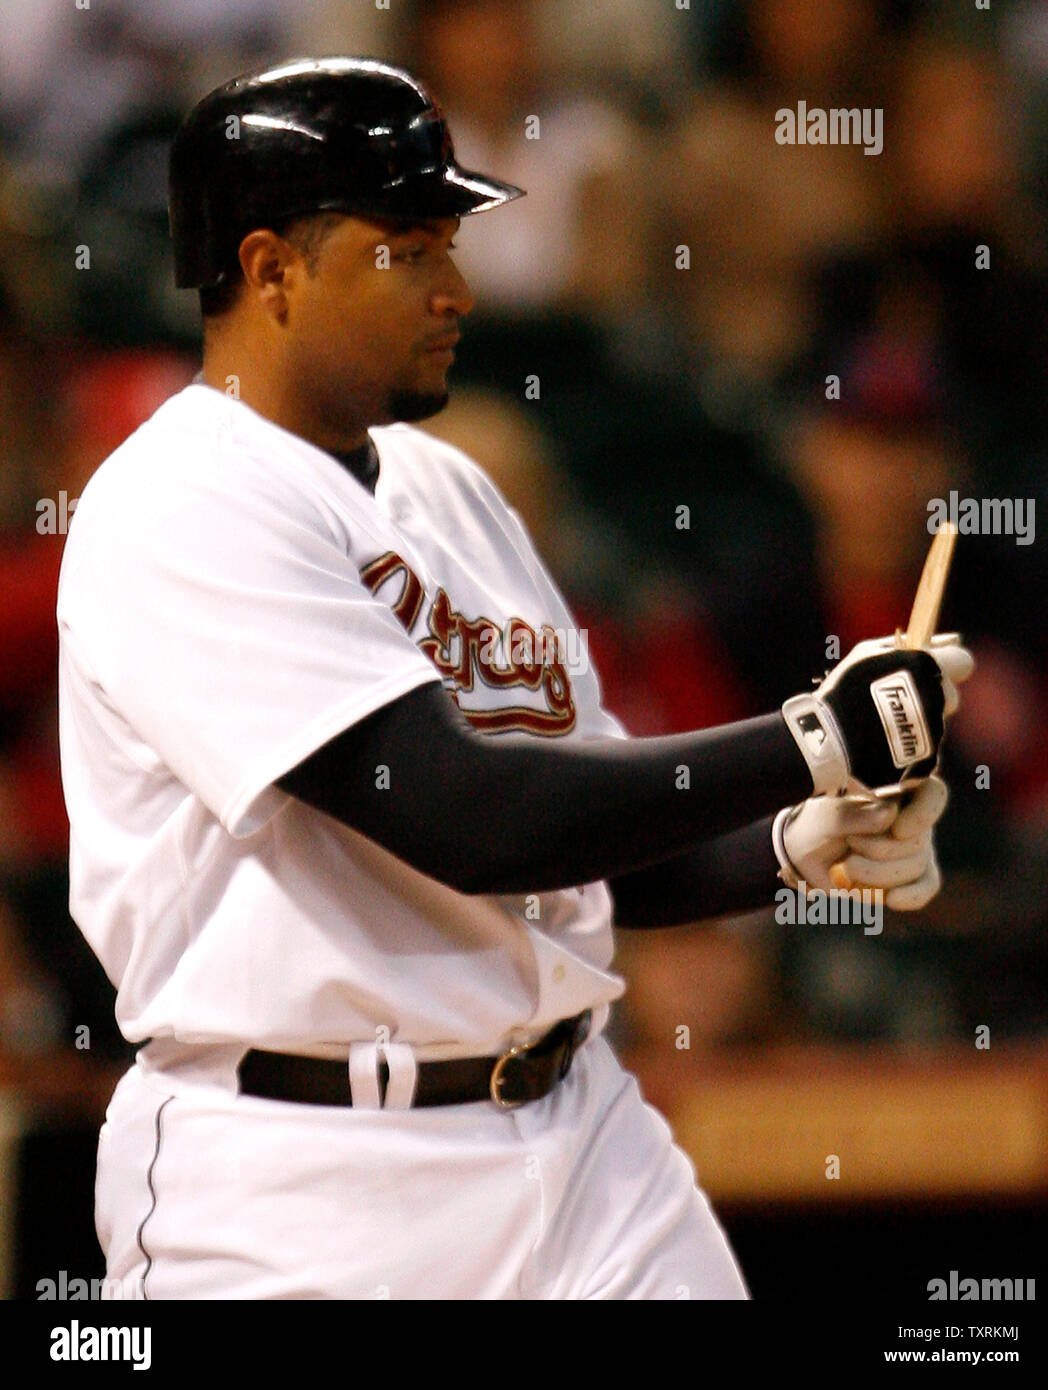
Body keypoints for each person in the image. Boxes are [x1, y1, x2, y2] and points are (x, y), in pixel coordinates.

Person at [56, 57, 972, 1300]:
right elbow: (465, 814)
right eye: (410, 247)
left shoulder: (454, 490)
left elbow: (583, 837)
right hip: (306, 1175)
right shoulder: (181, 503)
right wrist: (812, 736)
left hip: (582, 1139)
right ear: (269, 270)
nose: (457, 287)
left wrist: (803, 838)